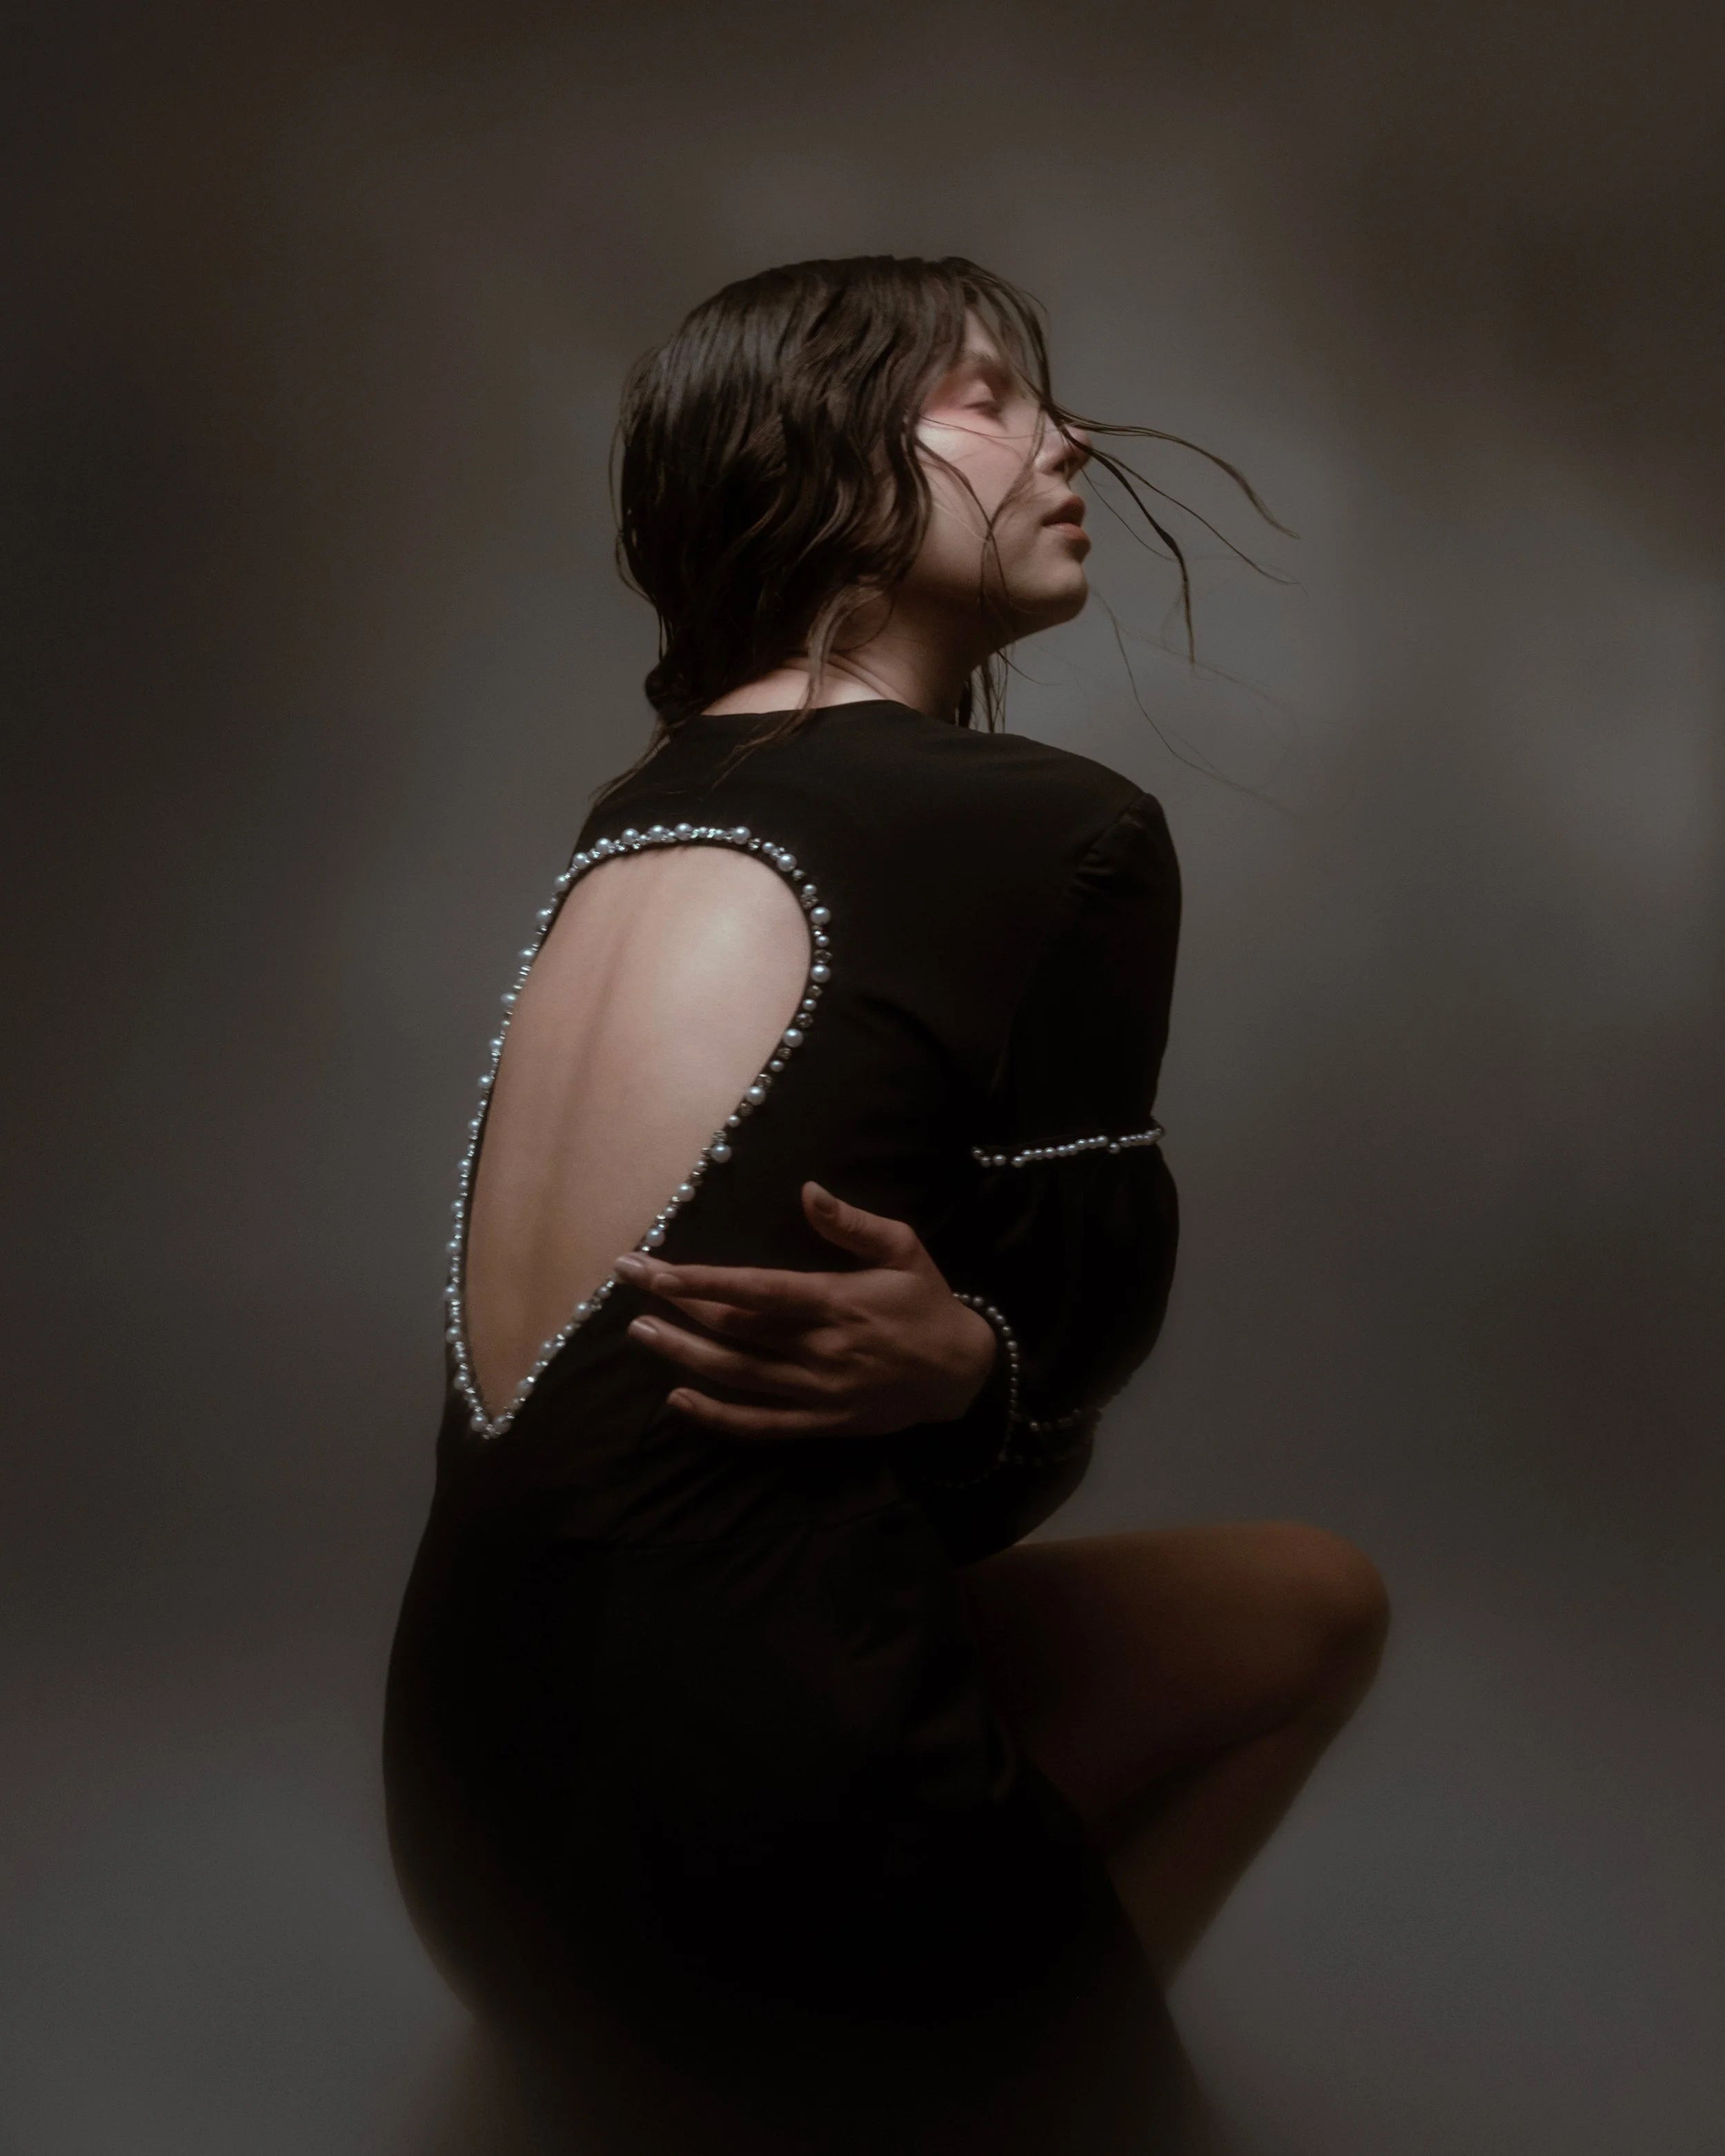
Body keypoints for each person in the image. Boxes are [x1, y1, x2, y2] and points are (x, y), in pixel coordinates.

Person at [384, 256, 1388, 2156]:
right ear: (831, 467)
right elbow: (1020, 1441)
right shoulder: (1056, 831)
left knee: (1305, 1608)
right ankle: (1024, 2083)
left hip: (470, 1781)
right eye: (989, 395)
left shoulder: (643, 804)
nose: (1066, 438)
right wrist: (978, 1367)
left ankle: (978, 2062)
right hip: (766, 1802)